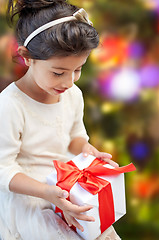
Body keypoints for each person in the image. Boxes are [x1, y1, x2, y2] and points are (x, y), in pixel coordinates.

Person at [0, 0, 121, 239]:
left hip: (67, 189)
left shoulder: (73, 95)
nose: (69, 82)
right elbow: (3, 169)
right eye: (58, 73)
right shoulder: (10, 106)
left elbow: (74, 139)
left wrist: (89, 152)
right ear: (27, 57)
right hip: (32, 197)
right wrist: (48, 192)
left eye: (78, 69)